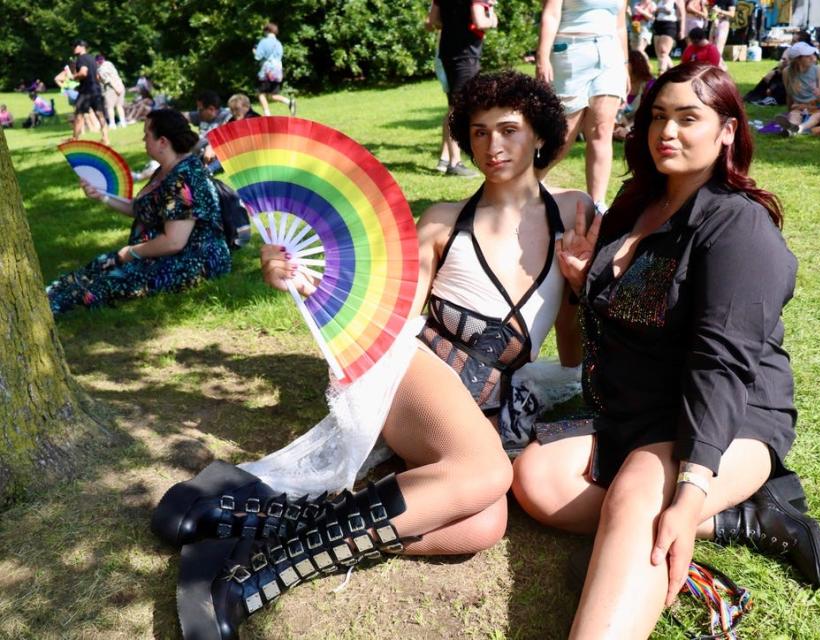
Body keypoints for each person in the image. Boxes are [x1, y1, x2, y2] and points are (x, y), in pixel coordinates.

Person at [153, 70, 593, 639]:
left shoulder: (575, 213)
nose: (493, 146)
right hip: (413, 369)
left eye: (509, 129)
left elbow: (572, 346)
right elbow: (388, 315)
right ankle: (253, 578)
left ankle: (258, 523)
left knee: (484, 522)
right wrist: (304, 282)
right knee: (485, 471)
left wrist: (580, 285)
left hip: (487, 404)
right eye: (479, 132)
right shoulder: (443, 221)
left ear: (541, 135)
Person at [512, 63, 820, 640]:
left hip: (731, 422)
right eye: (659, 115)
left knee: (638, 489)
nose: (668, 131)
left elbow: (722, 367)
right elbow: (596, 342)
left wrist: (689, 491)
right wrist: (584, 284)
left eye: (689, 118)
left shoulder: (740, 227)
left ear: (729, 130)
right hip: (636, 415)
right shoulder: (633, 209)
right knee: (539, 480)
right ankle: (745, 518)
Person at [46, 109, 231, 317]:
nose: (143, 140)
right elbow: (140, 209)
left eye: (146, 135)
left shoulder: (184, 178)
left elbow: (174, 242)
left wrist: (131, 252)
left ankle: (46, 310)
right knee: (99, 265)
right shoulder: (165, 170)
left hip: (192, 260)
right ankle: (47, 295)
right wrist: (102, 196)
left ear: (162, 141)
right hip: (161, 251)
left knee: (106, 284)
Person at [537, 0, 629, 213]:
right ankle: (527, 186)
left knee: (602, 131)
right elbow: (551, 14)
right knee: (563, 132)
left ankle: (596, 204)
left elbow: (620, 25)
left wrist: (625, 65)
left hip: (610, 56)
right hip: (571, 52)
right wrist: (543, 56)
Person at [427, 0, 497, 177]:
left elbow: (434, 20)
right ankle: (454, 162)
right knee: (458, 109)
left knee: (454, 105)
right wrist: (492, 18)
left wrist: (454, 22)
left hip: (448, 50)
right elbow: (480, 21)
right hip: (465, 54)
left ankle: (447, 159)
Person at [776, 41, 820, 137]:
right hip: (798, 107)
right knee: (794, 116)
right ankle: (791, 128)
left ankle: (799, 129)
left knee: (819, 116)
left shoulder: (818, 70)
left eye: (812, 54)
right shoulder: (787, 72)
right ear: (798, 60)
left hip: (815, 107)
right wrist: (789, 111)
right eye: (808, 56)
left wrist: (818, 94)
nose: (812, 57)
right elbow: (789, 94)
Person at [70, 39, 110, 145]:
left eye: (74, 46)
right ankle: (105, 138)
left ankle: (75, 139)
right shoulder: (92, 58)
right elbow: (97, 76)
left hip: (86, 92)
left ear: (81, 47)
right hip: (96, 89)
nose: (73, 48)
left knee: (79, 115)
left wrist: (73, 76)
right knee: (100, 114)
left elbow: (83, 73)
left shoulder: (81, 58)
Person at [253, 22, 296, 116]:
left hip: (266, 72)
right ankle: (289, 102)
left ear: (267, 31)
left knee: (260, 93)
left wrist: (254, 51)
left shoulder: (263, 42)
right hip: (277, 71)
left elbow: (258, 57)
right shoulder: (279, 43)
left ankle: (267, 114)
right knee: (273, 94)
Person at [184, 90, 232, 168]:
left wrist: (212, 146)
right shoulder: (201, 115)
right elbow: (183, 116)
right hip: (198, 151)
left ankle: (208, 170)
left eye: (200, 109)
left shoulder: (227, 116)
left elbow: (230, 138)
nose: (198, 112)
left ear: (211, 109)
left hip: (215, 152)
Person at [614, 50, 656, 140]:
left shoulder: (649, 84)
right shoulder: (617, 83)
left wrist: (629, 127)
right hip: (620, 121)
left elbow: (649, 111)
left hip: (640, 123)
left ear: (636, 64)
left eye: (626, 62)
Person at [651, 0, 684, 74]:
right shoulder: (659, 1)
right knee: (659, 53)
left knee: (663, 51)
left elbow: (682, 15)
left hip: (670, 25)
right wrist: (657, 11)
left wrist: (681, 30)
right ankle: (673, 71)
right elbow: (654, 13)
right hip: (658, 24)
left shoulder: (677, 1)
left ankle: (661, 72)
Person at [96, 54, 127, 129]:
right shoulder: (109, 64)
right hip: (120, 85)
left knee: (110, 107)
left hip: (111, 89)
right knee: (119, 106)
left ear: (97, 61)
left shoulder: (101, 69)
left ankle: (112, 123)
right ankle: (123, 122)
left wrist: (116, 89)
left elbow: (108, 80)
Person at [708, 0, 736, 70]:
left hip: (724, 23)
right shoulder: (715, 1)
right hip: (714, 23)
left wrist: (720, 11)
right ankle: (718, 68)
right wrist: (711, 14)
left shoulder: (731, 1)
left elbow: (732, 14)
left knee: (718, 49)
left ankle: (721, 69)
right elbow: (711, 14)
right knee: (711, 47)